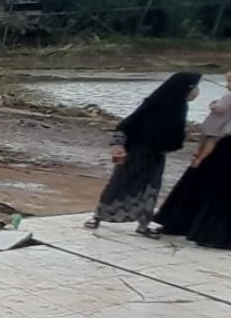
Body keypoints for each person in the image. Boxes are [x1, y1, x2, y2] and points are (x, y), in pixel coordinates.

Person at [85, 72, 201, 237]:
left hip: (156, 156)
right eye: (195, 88)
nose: (196, 92)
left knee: (150, 189)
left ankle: (143, 224)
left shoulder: (179, 107)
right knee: (119, 184)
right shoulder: (154, 105)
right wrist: (118, 144)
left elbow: (174, 135)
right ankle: (97, 216)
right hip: (136, 152)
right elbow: (126, 125)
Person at [154, 71, 231, 248]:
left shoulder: (227, 98)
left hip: (220, 140)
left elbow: (218, 111)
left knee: (205, 178)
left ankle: (187, 224)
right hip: (224, 143)